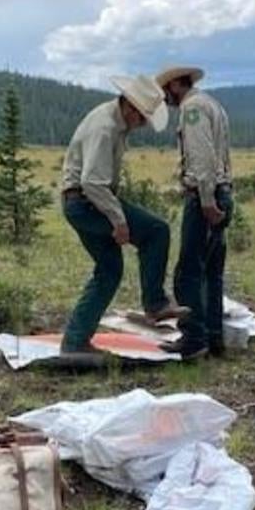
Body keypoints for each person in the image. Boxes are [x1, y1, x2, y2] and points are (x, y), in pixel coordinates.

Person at [60, 74, 188, 355]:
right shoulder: (105, 127)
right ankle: (155, 304)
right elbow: (93, 182)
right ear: (130, 106)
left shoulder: (111, 120)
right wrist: (118, 221)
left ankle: (75, 342)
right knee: (156, 231)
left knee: (109, 272)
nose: (142, 124)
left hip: (81, 204)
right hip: (88, 202)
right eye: (142, 117)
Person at [155, 65, 234, 360]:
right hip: (223, 191)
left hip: (206, 197)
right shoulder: (212, 104)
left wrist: (206, 199)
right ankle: (214, 337)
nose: (164, 98)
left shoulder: (192, 109)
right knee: (212, 272)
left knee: (188, 272)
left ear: (176, 84)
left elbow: (202, 157)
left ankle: (193, 339)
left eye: (166, 91)